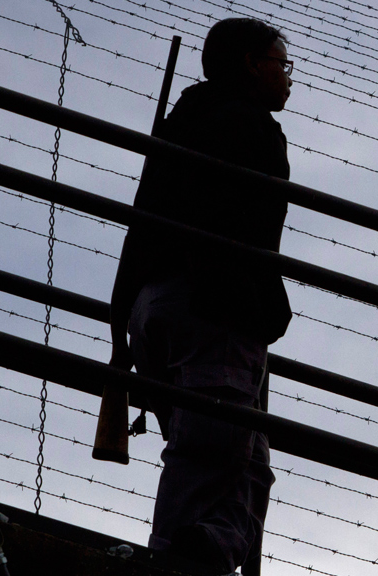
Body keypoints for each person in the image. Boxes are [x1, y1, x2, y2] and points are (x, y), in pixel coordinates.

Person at [108, 18, 295, 575]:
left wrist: (120, 325)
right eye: (280, 64)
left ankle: (205, 552)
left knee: (246, 463)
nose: (287, 77)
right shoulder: (250, 126)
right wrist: (258, 306)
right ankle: (176, 561)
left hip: (151, 308)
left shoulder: (182, 120)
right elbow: (249, 232)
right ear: (251, 65)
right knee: (209, 457)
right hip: (214, 309)